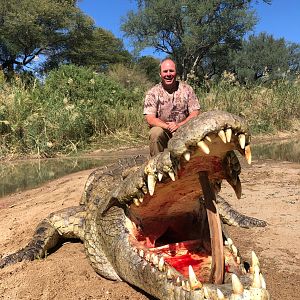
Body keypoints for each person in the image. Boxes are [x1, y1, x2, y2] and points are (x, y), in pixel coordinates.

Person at [143, 58, 201, 156]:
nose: (168, 74)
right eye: (165, 71)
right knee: (155, 133)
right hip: (164, 131)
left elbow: (195, 112)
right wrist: (169, 127)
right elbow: (150, 118)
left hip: (184, 129)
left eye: (171, 71)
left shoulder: (187, 89)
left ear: (176, 72)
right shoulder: (152, 92)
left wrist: (179, 125)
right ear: (160, 74)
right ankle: (156, 166)